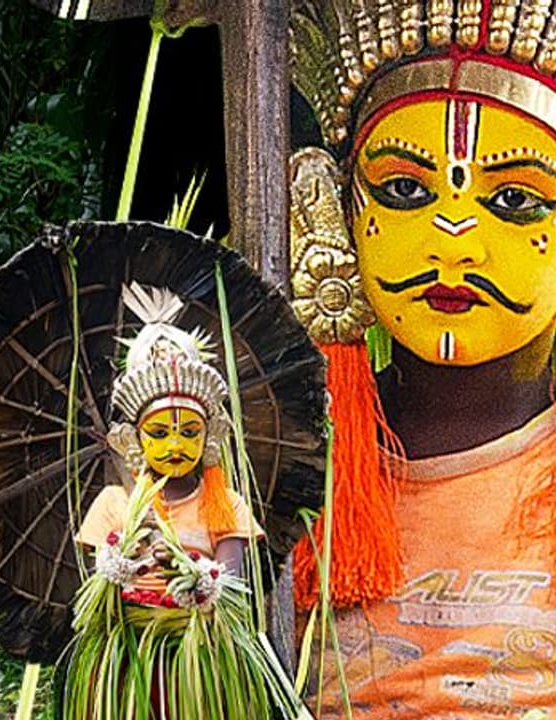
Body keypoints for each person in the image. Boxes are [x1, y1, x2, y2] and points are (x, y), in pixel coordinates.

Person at [289, 2, 556, 716]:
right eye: (405, 189)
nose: (455, 244)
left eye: (517, 198)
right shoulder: (278, 452)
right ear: (336, 210)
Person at [60, 281, 299, 720]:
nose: (175, 445)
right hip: (128, 664)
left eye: (189, 432)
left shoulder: (226, 505)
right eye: (159, 433)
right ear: (134, 440)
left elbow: (229, 587)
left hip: (199, 659)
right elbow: (96, 587)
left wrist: (198, 578)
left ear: (210, 438)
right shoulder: (114, 504)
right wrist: (118, 566)